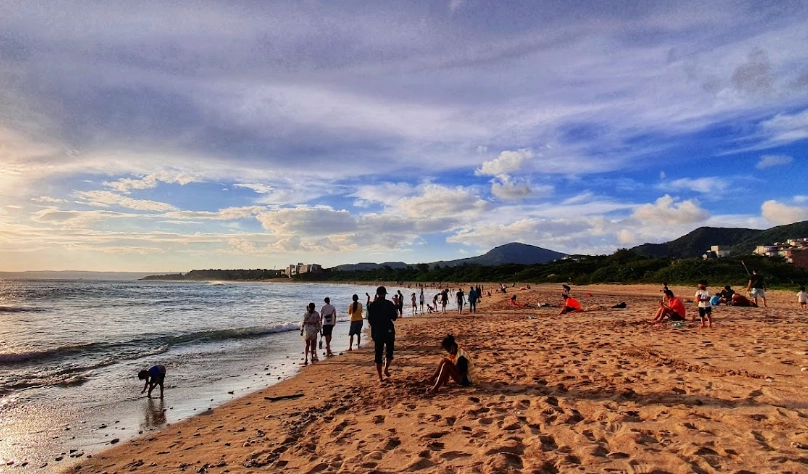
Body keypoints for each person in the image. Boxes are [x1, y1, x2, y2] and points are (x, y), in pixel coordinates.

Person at [368, 286, 398, 382]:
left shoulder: (372, 305)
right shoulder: (389, 304)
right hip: (388, 329)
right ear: (385, 294)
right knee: (389, 351)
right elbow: (394, 317)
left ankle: (380, 377)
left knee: (378, 353)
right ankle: (386, 369)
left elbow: (370, 320)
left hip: (377, 331)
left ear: (377, 294)